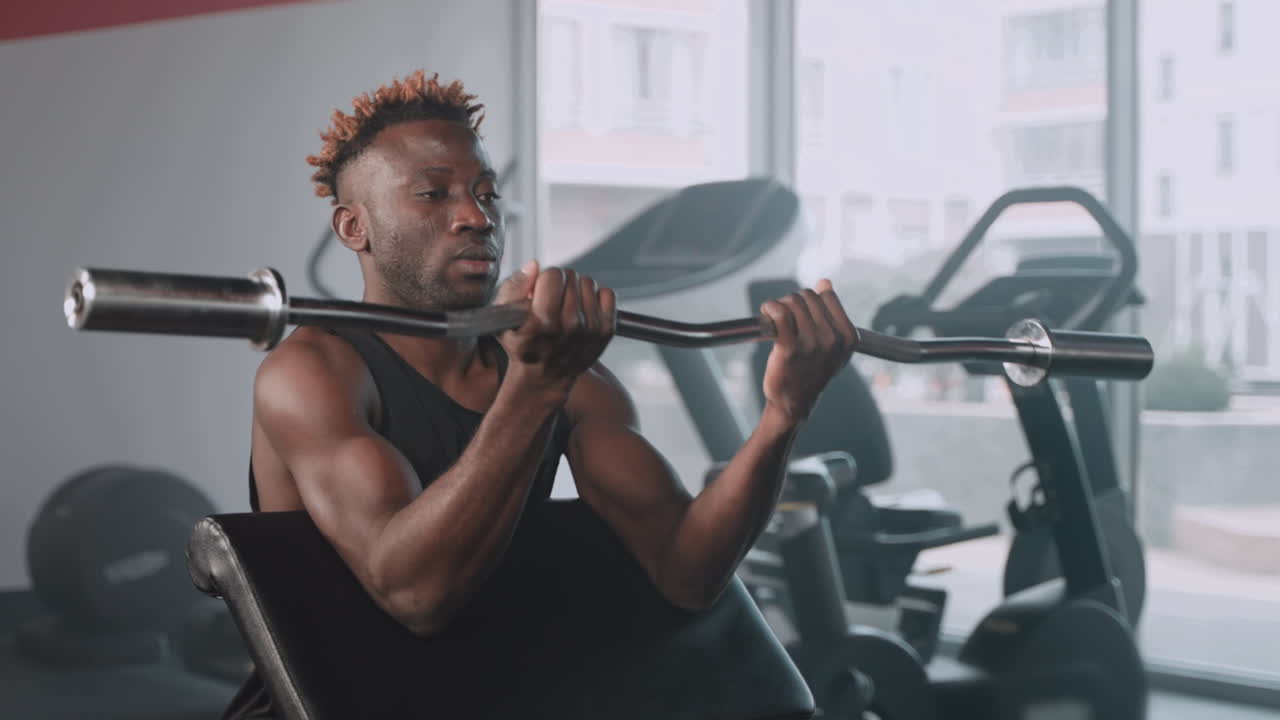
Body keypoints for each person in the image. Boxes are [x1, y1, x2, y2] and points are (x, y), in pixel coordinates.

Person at [222, 70, 859, 718]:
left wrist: (784, 413)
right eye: (433, 194)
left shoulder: (556, 370)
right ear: (354, 227)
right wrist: (536, 385)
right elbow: (415, 593)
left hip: (481, 693)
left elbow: (687, 572)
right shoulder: (311, 371)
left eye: (486, 193)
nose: (475, 217)